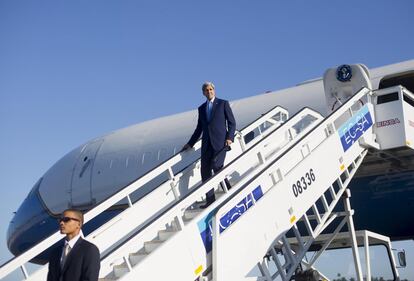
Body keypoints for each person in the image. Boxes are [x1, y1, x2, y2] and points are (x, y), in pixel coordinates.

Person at [183, 82, 236, 208]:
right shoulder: (201, 108)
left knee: (217, 165)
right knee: (205, 172)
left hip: (220, 142)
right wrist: (190, 143)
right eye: (207, 90)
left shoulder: (223, 103)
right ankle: (210, 200)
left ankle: (229, 189)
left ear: (214, 90)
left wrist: (230, 137)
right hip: (206, 144)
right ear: (203, 93)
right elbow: (199, 128)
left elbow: (232, 122)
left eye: (211, 89)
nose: (209, 91)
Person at [47, 209, 100, 281]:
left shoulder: (89, 250)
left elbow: (90, 278)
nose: (61, 223)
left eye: (66, 219)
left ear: (79, 224)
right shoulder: (55, 252)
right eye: (60, 220)